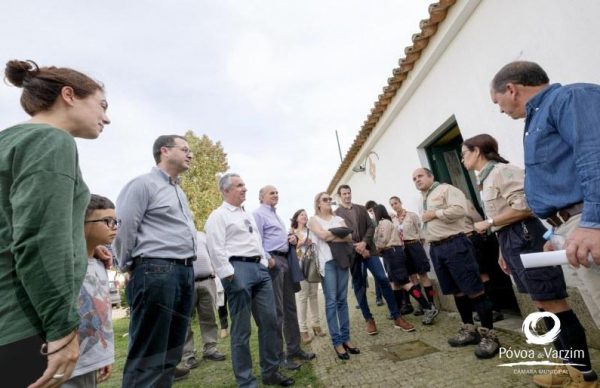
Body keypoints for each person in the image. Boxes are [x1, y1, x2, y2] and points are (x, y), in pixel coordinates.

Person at [0, 59, 110, 388]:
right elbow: (39, 239)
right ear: (69, 95)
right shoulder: (51, 141)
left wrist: (84, 248)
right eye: (101, 105)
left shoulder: (9, 143)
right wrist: (61, 330)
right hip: (25, 326)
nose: (106, 117)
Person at [491, 60, 600, 387]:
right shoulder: (539, 117)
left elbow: (594, 155)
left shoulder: (570, 98)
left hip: (588, 222)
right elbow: (561, 181)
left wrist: (593, 222)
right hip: (572, 226)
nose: (500, 110)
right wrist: (556, 233)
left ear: (512, 89)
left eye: (497, 102)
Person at [115, 135, 197, 387]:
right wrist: (126, 266)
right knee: (149, 355)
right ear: (164, 151)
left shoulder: (178, 191)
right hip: (156, 271)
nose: (190, 154)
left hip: (184, 272)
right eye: (185, 149)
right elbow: (124, 227)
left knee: (170, 353)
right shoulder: (142, 185)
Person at [205, 173, 293, 387]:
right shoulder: (218, 216)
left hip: (259, 270)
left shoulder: (247, 215)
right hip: (238, 270)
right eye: (239, 186)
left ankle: (270, 372)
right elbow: (215, 248)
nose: (245, 189)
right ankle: (246, 381)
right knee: (242, 330)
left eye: (244, 184)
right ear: (226, 191)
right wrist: (229, 275)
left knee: (270, 322)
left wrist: (264, 260)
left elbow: (256, 240)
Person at [412, 168, 499, 359]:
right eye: (414, 179)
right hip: (437, 248)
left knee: (474, 289)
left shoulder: (446, 189)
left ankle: (489, 336)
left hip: (455, 244)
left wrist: (435, 214)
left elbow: (461, 210)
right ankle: (469, 330)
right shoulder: (422, 199)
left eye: (420, 176)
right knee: (457, 291)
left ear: (431, 176)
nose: (417, 180)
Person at [334, 185, 414, 334]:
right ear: (339, 196)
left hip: (369, 250)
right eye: (344, 194)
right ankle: (368, 319)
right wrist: (356, 247)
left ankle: (397, 317)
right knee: (359, 286)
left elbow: (371, 227)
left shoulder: (360, 208)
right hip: (351, 254)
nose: (347, 196)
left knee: (383, 279)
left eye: (349, 193)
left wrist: (364, 243)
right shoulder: (336, 214)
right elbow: (338, 234)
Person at [253, 186, 315, 370]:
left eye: (277, 192)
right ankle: (279, 357)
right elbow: (256, 239)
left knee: (290, 307)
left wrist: (292, 239)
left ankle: (294, 349)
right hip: (273, 262)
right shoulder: (258, 214)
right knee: (277, 312)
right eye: (272, 193)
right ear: (262, 197)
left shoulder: (277, 216)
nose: (276, 195)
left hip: (286, 260)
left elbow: (281, 237)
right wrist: (268, 258)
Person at [62, 195, 117, 387]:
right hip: (68, 364)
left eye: (115, 220)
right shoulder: (65, 265)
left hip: (91, 360)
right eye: (107, 221)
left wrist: (103, 357)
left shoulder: (100, 262)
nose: (114, 226)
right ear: (81, 223)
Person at [308, 192, 359, 360]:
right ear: (318, 203)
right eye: (325, 199)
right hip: (327, 264)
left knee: (342, 301)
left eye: (330, 199)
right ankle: (337, 342)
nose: (329, 201)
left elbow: (350, 236)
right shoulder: (313, 220)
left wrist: (331, 235)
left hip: (342, 261)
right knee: (331, 302)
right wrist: (339, 234)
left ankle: (346, 338)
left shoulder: (338, 218)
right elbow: (322, 236)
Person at [372, 204, 439, 325]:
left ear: (378, 213)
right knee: (394, 283)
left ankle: (428, 307)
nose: (372, 215)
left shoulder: (384, 223)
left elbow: (382, 240)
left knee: (404, 282)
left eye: (373, 213)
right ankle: (396, 312)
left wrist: (374, 249)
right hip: (389, 254)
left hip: (392, 252)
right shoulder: (385, 222)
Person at [180, 231, 226, 370]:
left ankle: (210, 349)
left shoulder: (203, 235)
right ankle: (188, 355)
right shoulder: (177, 234)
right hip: (186, 283)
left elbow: (212, 254)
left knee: (209, 317)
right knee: (185, 320)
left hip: (207, 280)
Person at [389, 196, 436, 316]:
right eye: (392, 205)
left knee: (423, 275)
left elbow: (420, 231)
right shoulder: (393, 220)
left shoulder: (412, 215)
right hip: (402, 249)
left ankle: (432, 303)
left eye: (396, 203)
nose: (395, 206)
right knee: (412, 278)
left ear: (400, 202)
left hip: (414, 246)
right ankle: (422, 305)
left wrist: (419, 245)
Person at [462, 199, 504, 323]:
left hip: (471, 239)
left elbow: (478, 220)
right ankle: (484, 309)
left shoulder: (464, 203)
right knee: (472, 275)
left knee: (482, 275)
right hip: (460, 243)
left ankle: (494, 309)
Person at [290, 209, 326, 344]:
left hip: (312, 266)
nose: (304, 216)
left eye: (305, 214)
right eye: (301, 215)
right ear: (296, 218)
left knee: (314, 295)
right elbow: (291, 249)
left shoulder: (311, 230)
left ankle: (316, 325)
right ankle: (303, 329)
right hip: (299, 267)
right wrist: (303, 242)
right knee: (302, 298)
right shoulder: (292, 232)